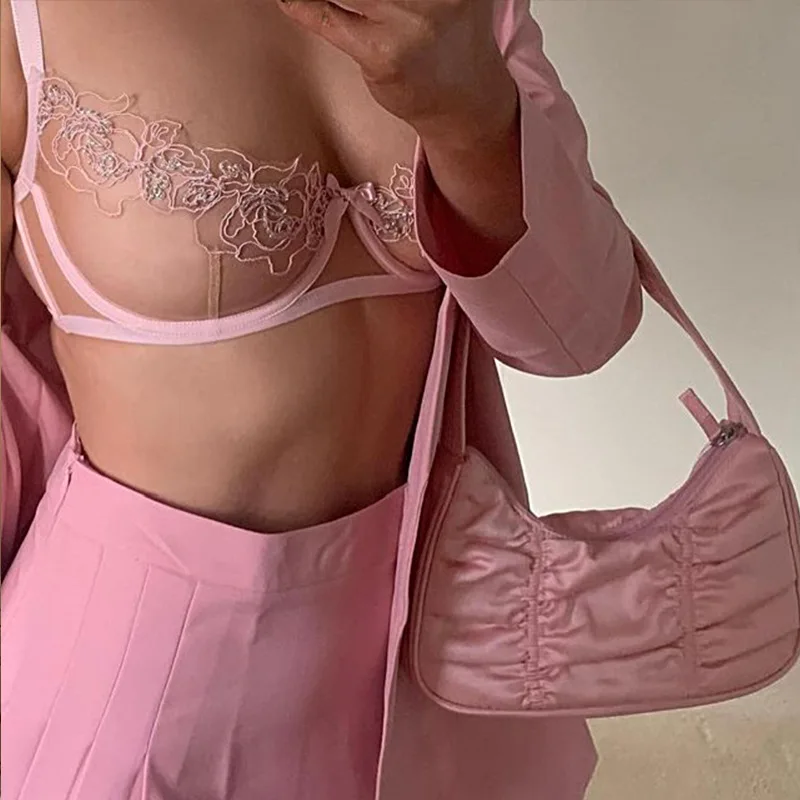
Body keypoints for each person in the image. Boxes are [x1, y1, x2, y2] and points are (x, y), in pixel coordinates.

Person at [0, 1, 644, 798]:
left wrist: (473, 119)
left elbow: (581, 334)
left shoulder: (462, 11)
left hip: (420, 672)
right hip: (130, 693)